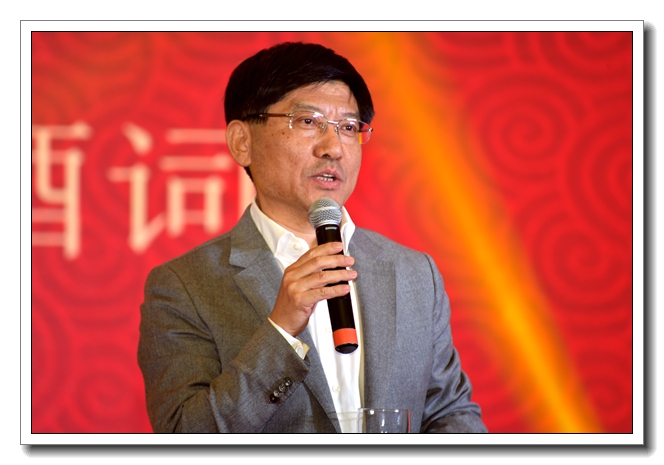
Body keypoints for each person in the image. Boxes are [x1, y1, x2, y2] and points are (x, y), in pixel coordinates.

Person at [137, 42, 487, 434]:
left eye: (349, 127)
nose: (333, 148)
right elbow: (185, 436)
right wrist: (281, 331)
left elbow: (451, 415)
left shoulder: (413, 273)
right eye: (308, 121)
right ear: (242, 142)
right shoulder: (184, 286)